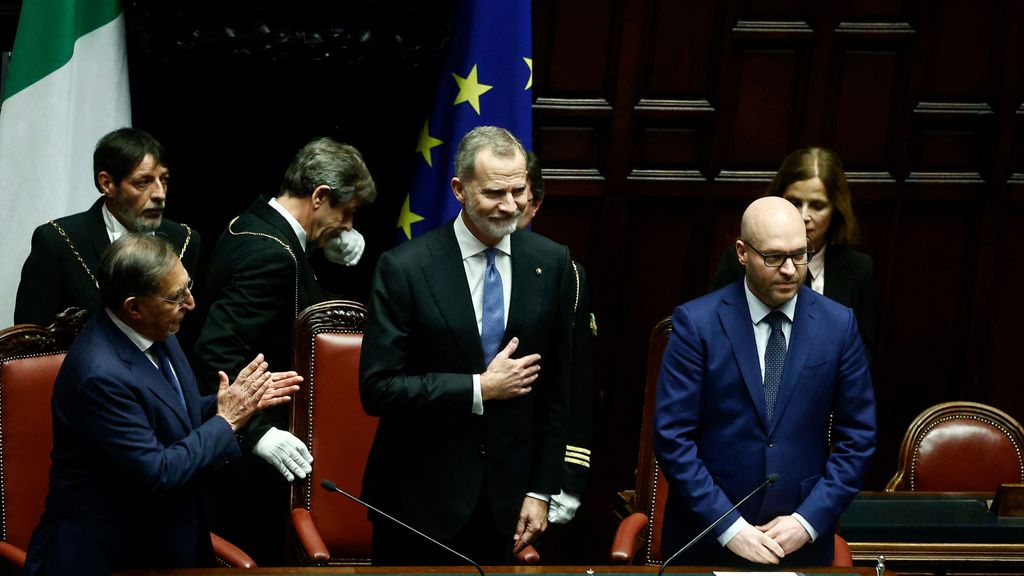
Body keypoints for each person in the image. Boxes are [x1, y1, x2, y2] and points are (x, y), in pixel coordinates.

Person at [23, 234, 301, 576]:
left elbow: (169, 413)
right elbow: (159, 473)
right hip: (111, 557)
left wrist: (228, 403)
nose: (191, 303)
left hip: (172, 539)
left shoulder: (157, 332)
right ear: (134, 307)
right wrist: (226, 421)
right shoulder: (99, 375)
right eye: (175, 296)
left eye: (188, 286)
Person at [359, 126, 575, 565]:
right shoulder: (405, 268)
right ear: (459, 189)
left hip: (506, 503)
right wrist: (478, 388)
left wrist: (541, 489)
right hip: (417, 501)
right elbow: (378, 388)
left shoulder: (551, 262)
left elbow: (558, 389)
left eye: (519, 190)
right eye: (495, 192)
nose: (511, 205)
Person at [655, 196, 876, 567]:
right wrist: (730, 527)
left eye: (800, 254)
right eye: (774, 257)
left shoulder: (838, 326)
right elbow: (672, 437)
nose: (790, 269)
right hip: (708, 538)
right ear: (742, 252)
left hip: (799, 543)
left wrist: (807, 522)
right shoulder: (697, 325)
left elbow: (859, 439)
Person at [193, 136, 376, 564]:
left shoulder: (253, 223)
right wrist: (254, 433)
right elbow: (213, 353)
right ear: (319, 196)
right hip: (253, 466)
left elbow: (296, 318)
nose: (348, 227)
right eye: (346, 214)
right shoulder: (272, 254)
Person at [14, 127, 201, 328]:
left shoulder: (185, 240)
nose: (159, 194)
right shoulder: (59, 242)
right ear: (107, 183)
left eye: (163, 180)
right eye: (143, 182)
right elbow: (28, 345)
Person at [709, 147, 876, 351]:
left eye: (817, 206)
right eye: (794, 202)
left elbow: (863, 351)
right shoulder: (742, 260)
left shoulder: (858, 268)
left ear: (835, 209)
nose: (803, 216)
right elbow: (715, 333)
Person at [517, 151, 595, 528]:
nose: (504, 208)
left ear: (535, 205)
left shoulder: (564, 272)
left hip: (531, 467)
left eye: (518, 196)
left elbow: (575, 380)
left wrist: (565, 477)